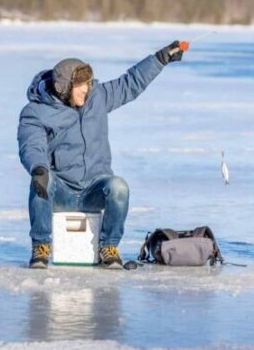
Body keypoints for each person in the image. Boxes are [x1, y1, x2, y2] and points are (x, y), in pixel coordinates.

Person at [18, 41, 185, 269]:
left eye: (87, 84)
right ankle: (40, 246)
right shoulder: (36, 112)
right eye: (80, 86)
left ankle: (109, 246)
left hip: (94, 188)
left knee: (119, 187)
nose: (87, 90)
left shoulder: (97, 98)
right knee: (41, 181)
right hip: (62, 190)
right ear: (63, 87)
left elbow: (130, 83)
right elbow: (31, 144)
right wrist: (38, 168)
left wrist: (160, 58)